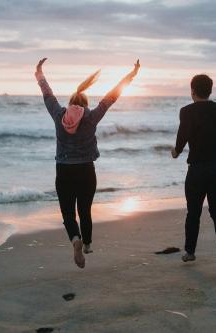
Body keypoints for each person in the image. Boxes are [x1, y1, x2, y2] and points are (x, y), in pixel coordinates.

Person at [35, 58, 140, 268]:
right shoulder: (91, 117)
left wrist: (39, 73)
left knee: (67, 212)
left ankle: (75, 239)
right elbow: (112, 97)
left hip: (64, 170)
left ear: (72, 101)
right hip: (86, 170)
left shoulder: (59, 115)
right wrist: (131, 76)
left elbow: (48, 95)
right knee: (85, 209)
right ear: (85, 103)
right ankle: (88, 244)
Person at [171, 74, 216, 266]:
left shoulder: (186, 111)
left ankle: (190, 252)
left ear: (192, 91)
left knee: (193, 212)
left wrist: (175, 152)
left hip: (197, 169)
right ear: (211, 90)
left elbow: (182, 138)